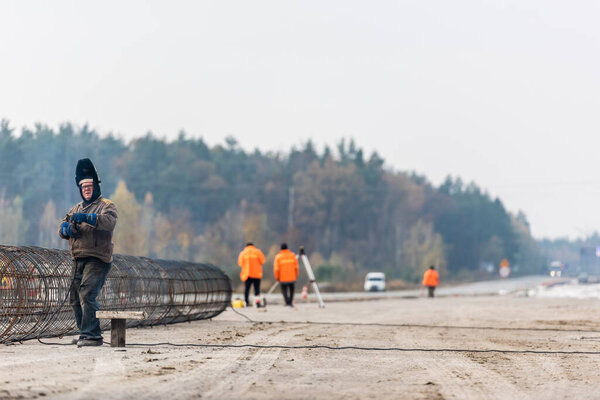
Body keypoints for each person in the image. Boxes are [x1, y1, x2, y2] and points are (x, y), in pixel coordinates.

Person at [58, 158, 118, 347]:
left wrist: (87, 218)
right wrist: (68, 229)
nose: (86, 189)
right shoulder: (74, 209)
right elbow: (61, 228)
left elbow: (109, 223)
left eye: (89, 186)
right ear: (80, 188)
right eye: (83, 187)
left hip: (98, 258)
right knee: (75, 297)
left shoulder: (106, 206)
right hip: (78, 258)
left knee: (87, 293)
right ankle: (85, 333)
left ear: (96, 186)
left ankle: (92, 335)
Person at [237, 242, 265, 307]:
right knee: (257, 289)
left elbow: (240, 263)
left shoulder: (243, 253)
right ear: (253, 246)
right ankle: (257, 303)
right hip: (256, 274)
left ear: (246, 246)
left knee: (247, 289)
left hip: (247, 274)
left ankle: (246, 302)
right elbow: (262, 261)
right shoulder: (258, 252)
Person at [273, 243, 299, 307]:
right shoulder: (292, 255)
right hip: (292, 277)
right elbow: (296, 267)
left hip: (282, 277)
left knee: (284, 291)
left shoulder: (278, 257)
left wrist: (277, 277)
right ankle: (290, 302)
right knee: (291, 290)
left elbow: (276, 269)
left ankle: (287, 302)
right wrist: (296, 275)